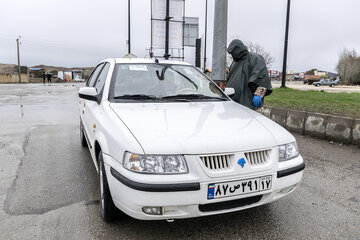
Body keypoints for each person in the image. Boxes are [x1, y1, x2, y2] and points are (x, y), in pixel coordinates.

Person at [226, 39, 272, 110]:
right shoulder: (234, 63)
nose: (233, 54)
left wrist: (259, 94)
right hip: (233, 103)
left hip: (249, 103)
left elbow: (262, 77)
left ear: (239, 49)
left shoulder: (255, 58)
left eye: (233, 51)